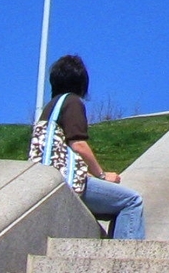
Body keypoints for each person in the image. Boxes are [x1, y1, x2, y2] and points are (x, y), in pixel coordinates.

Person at [36, 55, 145, 239]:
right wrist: (102, 176)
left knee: (116, 207)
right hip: (69, 183)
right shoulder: (72, 102)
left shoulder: (48, 111)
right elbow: (78, 144)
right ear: (81, 82)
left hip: (48, 180)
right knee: (132, 201)